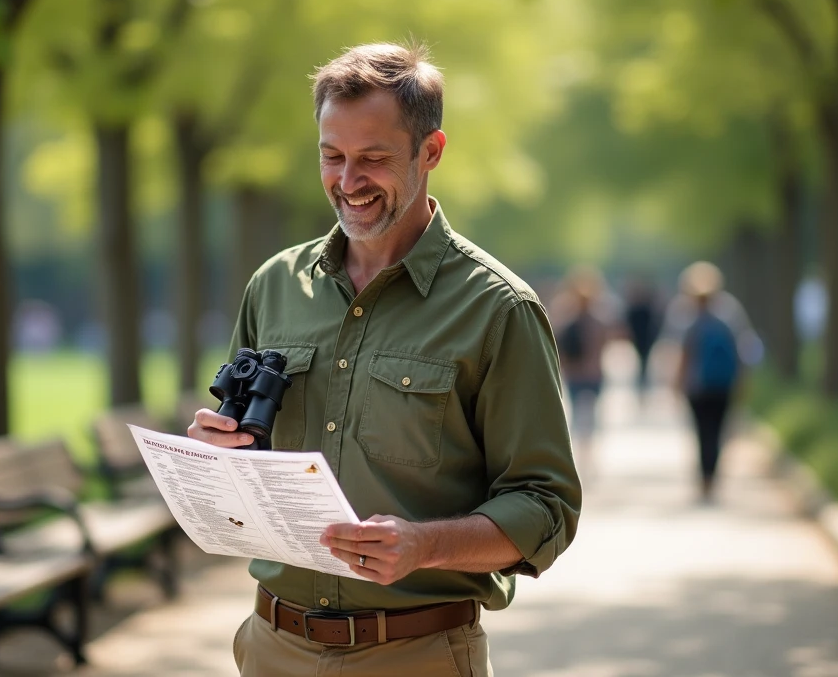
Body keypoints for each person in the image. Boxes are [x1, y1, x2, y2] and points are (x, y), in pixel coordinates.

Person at [188, 42, 582, 676]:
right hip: (271, 649)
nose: (348, 183)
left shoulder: (498, 309)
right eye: (332, 156)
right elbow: (246, 467)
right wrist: (215, 458)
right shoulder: (274, 286)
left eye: (373, 159)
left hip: (416, 656)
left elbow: (546, 506)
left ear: (430, 152)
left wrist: (424, 546)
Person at [668, 261, 755, 502]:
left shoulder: (684, 314)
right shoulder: (731, 311)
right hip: (723, 384)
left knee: (701, 431)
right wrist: (743, 380)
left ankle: (705, 479)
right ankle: (712, 477)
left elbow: (682, 352)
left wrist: (676, 382)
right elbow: (745, 349)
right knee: (717, 431)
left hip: (697, 386)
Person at [555, 267, 618, 474]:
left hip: (576, 374)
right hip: (591, 374)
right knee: (589, 417)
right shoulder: (598, 319)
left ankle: (580, 456)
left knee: (579, 416)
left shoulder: (565, 317)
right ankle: (586, 456)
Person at [622, 276, 661, 399]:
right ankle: (642, 382)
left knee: (644, 361)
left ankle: (642, 382)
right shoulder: (635, 308)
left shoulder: (645, 307)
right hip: (640, 340)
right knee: (642, 361)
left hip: (645, 340)